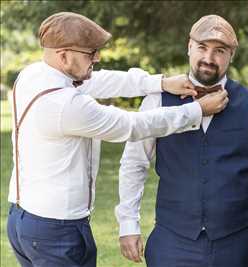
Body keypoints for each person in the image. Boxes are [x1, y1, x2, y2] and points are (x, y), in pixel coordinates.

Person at [7, 12, 229, 267]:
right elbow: (133, 125)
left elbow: (100, 81)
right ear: (64, 56)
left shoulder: (35, 74)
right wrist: (198, 110)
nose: (97, 58)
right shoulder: (65, 105)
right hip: (57, 230)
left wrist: (161, 83)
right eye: (90, 54)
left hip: (23, 219)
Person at [115, 14, 248, 267]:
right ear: (189, 47)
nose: (209, 58)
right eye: (202, 47)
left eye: (219, 51)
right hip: (172, 241)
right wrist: (128, 224)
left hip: (237, 245)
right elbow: (134, 163)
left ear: (231, 56)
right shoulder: (157, 100)